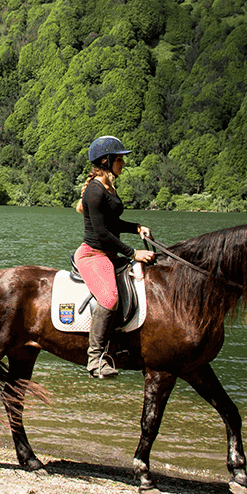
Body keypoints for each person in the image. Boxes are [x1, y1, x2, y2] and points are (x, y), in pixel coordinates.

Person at [75, 135, 154, 378]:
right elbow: (103, 234)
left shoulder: (108, 186)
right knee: (109, 298)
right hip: (93, 254)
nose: (123, 164)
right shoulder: (95, 192)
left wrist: (136, 227)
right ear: (106, 161)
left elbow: (113, 222)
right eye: (120, 160)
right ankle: (95, 359)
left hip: (108, 252)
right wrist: (134, 252)